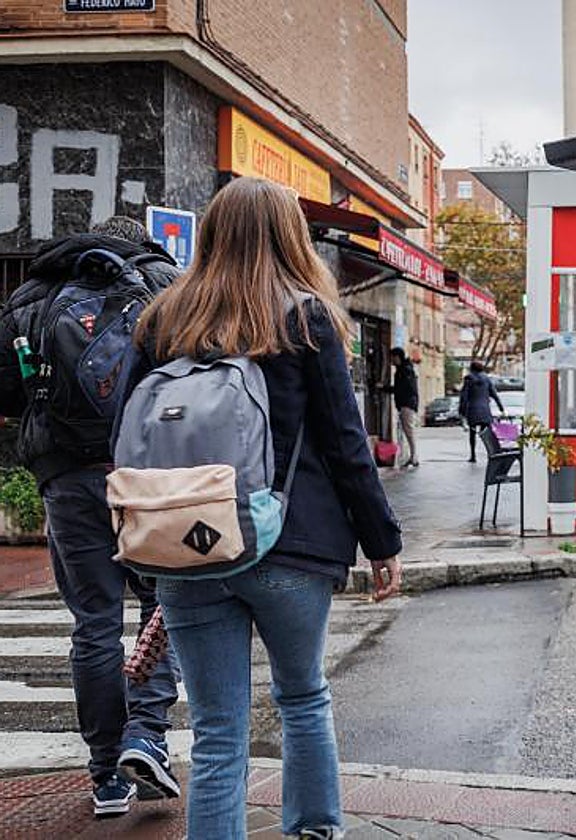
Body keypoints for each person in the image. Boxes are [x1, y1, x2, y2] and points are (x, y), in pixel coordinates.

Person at [125, 177, 403, 839]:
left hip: (187, 546)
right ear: (289, 237)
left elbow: (126, 441)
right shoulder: (303, 317)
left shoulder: (162, 320)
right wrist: (381, 541)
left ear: (211, 236)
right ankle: (313, 829)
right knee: (304, 698)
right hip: (291, 543)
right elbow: (344, 443)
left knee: (218, 730)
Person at [0, 217, 182, 817]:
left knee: (94, 622)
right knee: (167, 602)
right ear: (140, 240)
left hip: (69, 478)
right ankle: (146, 735)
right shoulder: (161, 281)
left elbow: (5, 388)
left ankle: (107, 773)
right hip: (147, 469)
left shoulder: (35, 292)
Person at [380, 347, 420, 467]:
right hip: (407, 403)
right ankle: (410, 456)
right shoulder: (405, 369)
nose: (391, 360)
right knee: (407, 431)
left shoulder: (405, 370)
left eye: (392, 357)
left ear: (397, 357)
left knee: (409, 431)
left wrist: (384, 388)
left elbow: (402, 389)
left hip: (407, 404)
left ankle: (413, 457)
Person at [458, 360, 504, 462]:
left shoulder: (468, 379)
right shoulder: (487, 379)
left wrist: (461, 410)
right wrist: (501, 407)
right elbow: (494, 394)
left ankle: (473, 455)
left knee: (472, 434)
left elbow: (464, 396)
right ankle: (490, 453)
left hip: (472, 410)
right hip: (485, 410)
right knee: (486, 434)